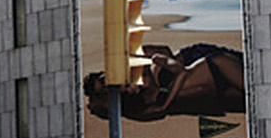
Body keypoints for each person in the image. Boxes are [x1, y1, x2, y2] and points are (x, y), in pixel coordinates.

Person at [82, 43, 244, 121]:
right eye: (104, 89)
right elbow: (152, 112)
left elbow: (166, 53)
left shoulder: (132, 60)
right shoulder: (134, 100)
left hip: (192, 58)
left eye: (103, 79)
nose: (107, 84)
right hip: (204, 87)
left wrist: (158, 75)